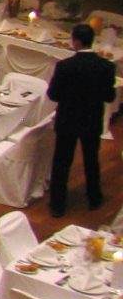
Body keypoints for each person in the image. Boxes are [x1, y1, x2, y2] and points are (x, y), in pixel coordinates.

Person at [47, 23, 116, 217]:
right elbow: (109, 97)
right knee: (91, 160)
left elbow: (53, 94)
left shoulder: (64, 66)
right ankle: (94, 198)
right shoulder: (106, 67)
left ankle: (57, 205)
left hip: (68, 119)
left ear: (75, 41)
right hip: (91, 120)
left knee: (61, 162)